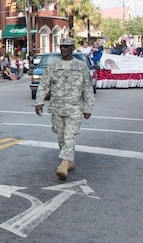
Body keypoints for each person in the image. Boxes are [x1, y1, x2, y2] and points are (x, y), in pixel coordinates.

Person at [35, 37, 95, 180]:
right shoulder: (53, 66)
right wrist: (39, 102)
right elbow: (44, 85)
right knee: (61, 136)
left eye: (67, 47)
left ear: (73, 49)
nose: (63, 49)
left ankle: (64, 165)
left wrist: (88, 108)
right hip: (57, 107)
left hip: (74, 108)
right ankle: (69, 161)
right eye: (62, 47)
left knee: (69, 135)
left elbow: (87, 88)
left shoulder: (81, 67)